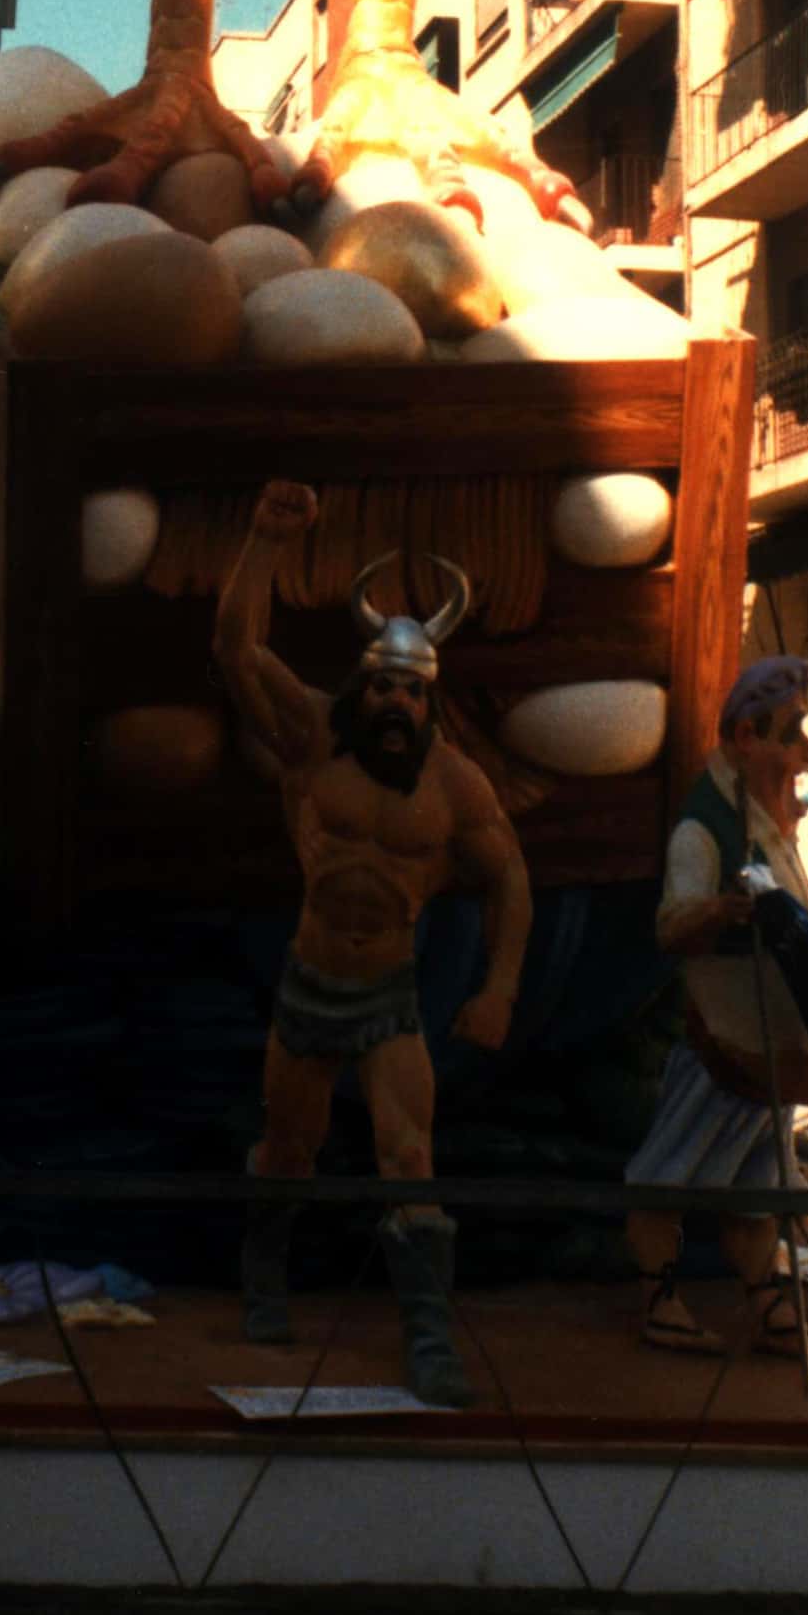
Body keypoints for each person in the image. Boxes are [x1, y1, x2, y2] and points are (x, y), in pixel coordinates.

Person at [213, 477, 531, 1409]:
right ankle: (264, 1277)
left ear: (431, 700)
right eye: (384, 684)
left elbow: (510, 879)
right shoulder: (313, 737)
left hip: (389, 994)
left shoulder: (455, 786)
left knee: (409, 1159)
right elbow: (235, 649)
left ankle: (427, 1335)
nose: (395, 699)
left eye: (412, 689)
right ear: (364, 685)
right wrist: (265, 540)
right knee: (288, 1149)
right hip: (310, 983)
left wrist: (499, 988)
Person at [623, 656, 808, 1362]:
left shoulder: (771, 827)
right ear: (747, 737)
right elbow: (671, 925)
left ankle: (766, 1303)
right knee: (665, 1177)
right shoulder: (703, 832)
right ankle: (658, 1300)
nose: (807, 755)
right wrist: (721, 910)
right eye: (791, 736)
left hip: (774, 1051)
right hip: (725, 1045)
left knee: (761, 1186)